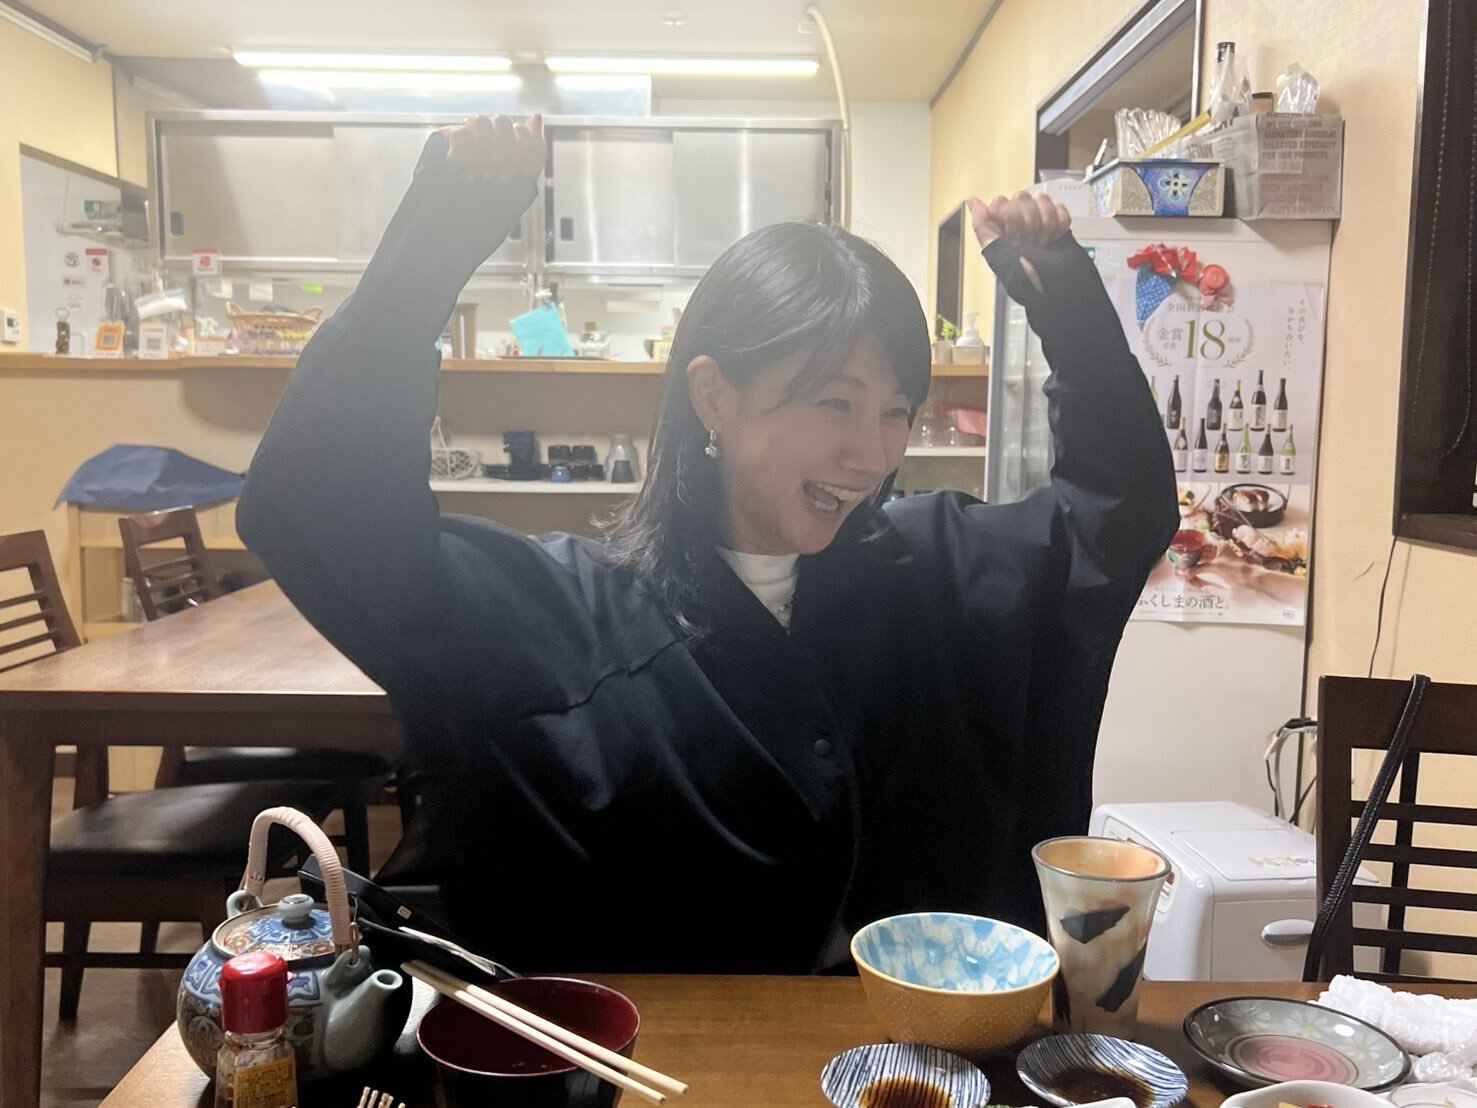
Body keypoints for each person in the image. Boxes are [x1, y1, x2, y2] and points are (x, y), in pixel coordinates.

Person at [238, 113, 1177, 974]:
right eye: (834, 403)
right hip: (651, 1063)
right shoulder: (562, 617)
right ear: (714, 397)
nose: (872, 453)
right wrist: (432, 248)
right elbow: (318, 510)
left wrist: (1070, 314)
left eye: (896, 411)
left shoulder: (941, 572)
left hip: (919, 1059)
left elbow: (1115, 515)